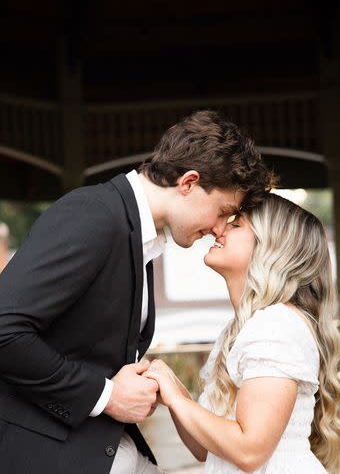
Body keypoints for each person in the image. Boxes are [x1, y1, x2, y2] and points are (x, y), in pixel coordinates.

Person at [0, 110, 273, 474]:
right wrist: (106, 395)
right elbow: (4, 329)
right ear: (188, 183)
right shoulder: (93, 215)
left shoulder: (139, 234)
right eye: (223, 211)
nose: (219, 229)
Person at [145, 193, 340, 474]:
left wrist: (177, 400)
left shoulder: (276, 326)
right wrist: (173, 389)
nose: (219, 228)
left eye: (236, 225)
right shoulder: (238, 332)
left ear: (269, 249)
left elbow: (250, 452)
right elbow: (203, 448)